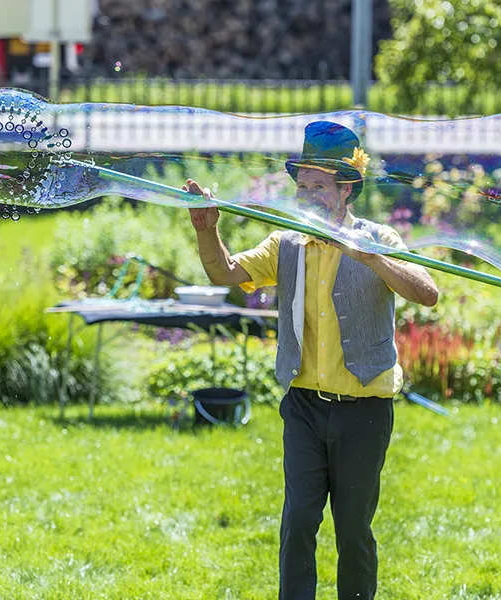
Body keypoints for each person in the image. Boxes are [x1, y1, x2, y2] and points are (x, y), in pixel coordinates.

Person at [186, 121, 438, 600]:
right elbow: (224, 271)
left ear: (346, 189)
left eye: (317, 186)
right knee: (299, 519)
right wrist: (207, 230)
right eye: (301, 186)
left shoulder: (379, 237)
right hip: (303, 406)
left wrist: (371, 258)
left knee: (352, 530)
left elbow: (427, 293)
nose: (305, 195)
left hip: (365, 407)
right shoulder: (286, 244)